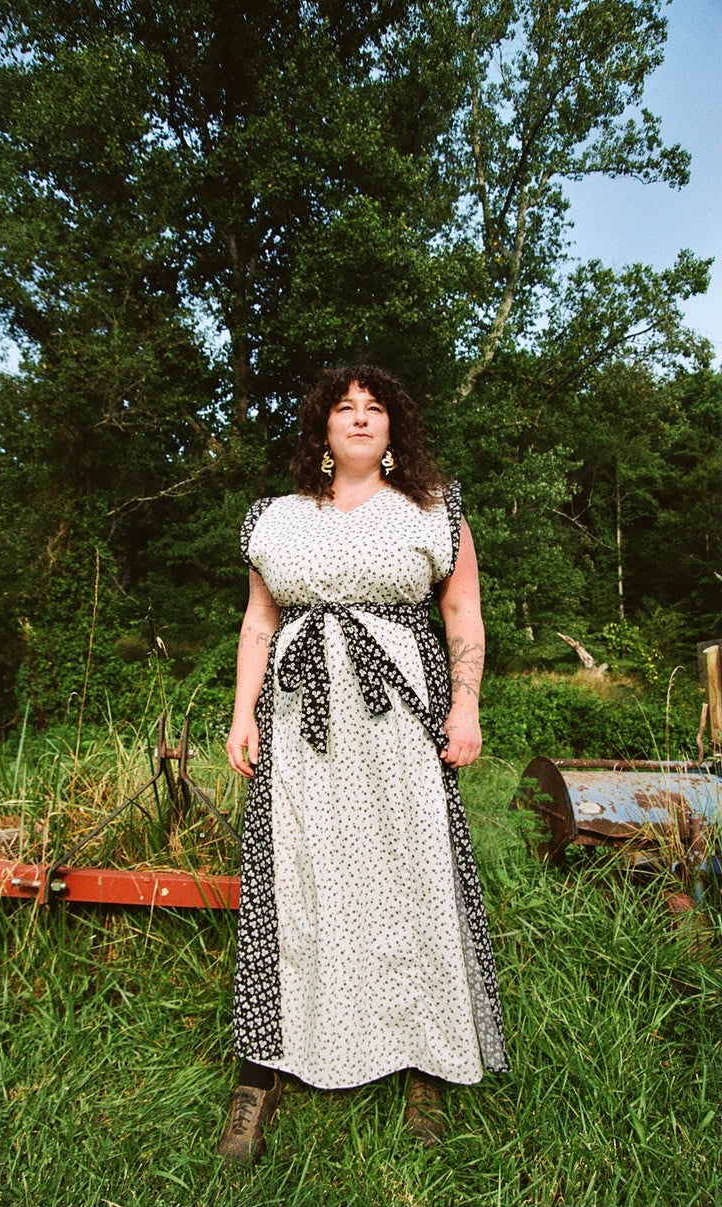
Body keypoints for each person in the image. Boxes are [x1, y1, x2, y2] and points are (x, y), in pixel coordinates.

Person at [218, 364, 508, 1165]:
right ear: (321, 429)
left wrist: (466, 702)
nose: (359, 417)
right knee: (301, 879)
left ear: (393, 430)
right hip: (300, 731)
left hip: (399, 726)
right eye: (344, 407)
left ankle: (427, 1062)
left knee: (410, 872)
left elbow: (462, 608)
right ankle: (267, 1065)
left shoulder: (432, 509)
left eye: (375, 407)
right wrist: (243, 712)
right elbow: (259, 619)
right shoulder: (273, 519)